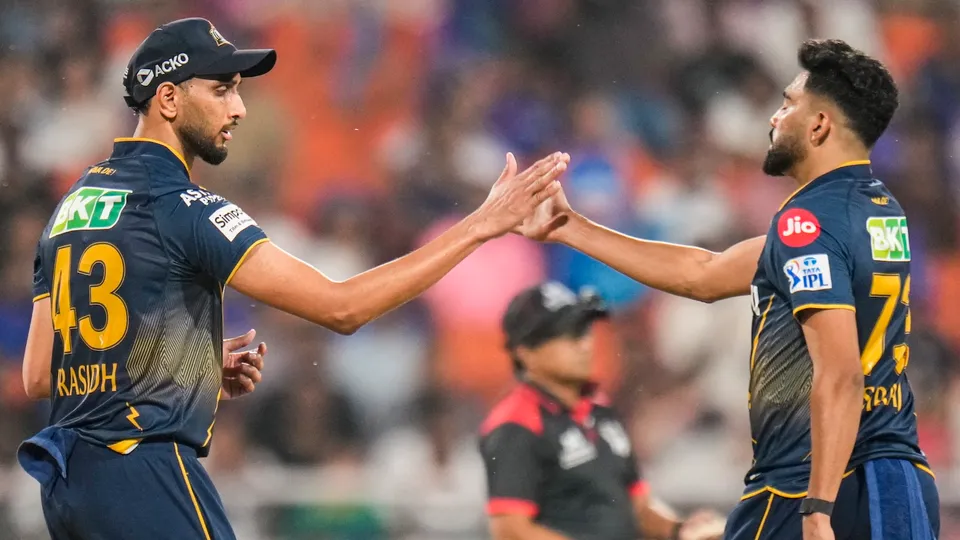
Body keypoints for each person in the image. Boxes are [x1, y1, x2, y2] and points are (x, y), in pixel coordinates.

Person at [18, 17, 567, 540]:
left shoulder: (71, 207)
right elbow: (342, 308)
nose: (239, 109)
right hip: (144, 472)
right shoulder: (185, 208)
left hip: (70, 482)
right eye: (221, 90)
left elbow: (42, 374)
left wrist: (189, 367)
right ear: (168, 98)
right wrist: (480, 225)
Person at [515, 40, 939, 540]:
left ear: (820, 125)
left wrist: (818, 507)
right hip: (897, 481)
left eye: (788, 104)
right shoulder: (877, 210)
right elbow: (704, 274)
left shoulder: (806, 222)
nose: (774, 118)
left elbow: (842, 374)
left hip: (816, 482)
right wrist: (570, 227)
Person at [479, 281, 726, 540]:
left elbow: (637, 505)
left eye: (583, 331)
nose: (584, 344)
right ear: (525, 353)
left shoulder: (600, 411)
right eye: (566, 336)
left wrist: (680, 529)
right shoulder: (516, 424)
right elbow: (511, 531)